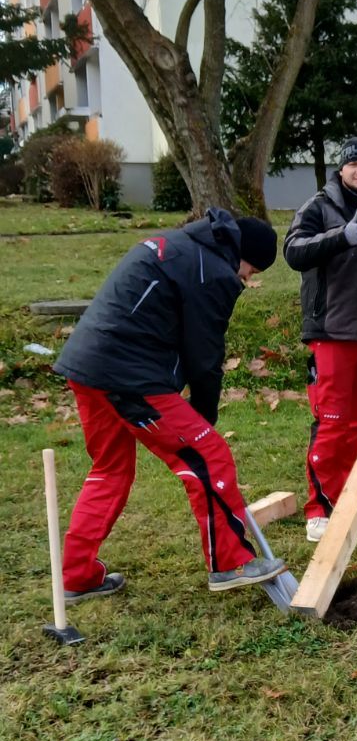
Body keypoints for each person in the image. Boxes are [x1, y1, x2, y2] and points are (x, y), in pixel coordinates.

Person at [52, 209, 287, 597]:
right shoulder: (212, 272)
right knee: (208, 456)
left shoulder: (180, 245)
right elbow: (205, 356)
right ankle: (229, 564)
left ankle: (77, 576)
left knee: (110, 469)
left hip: (89, 366)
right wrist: (204, 418)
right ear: (242, 255)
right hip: (129, 375)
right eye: (252, 271)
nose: (247, 279)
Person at [283, 137, 357, 541]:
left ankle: (353, 497)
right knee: (331, 420)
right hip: (332, 330)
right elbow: (294, 250)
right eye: (354, 165)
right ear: (342, 169)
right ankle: (321, 508)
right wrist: (340, 238)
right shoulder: (319, 206)